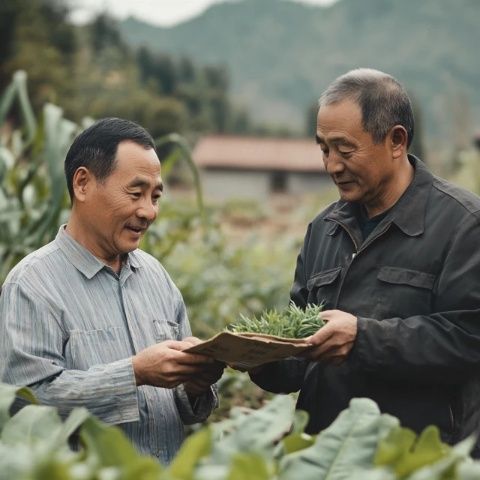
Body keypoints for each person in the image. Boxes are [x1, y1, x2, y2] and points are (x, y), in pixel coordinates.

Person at [250, 68, 480, 455]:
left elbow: (468, 339)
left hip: (418, 460)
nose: (331, 165)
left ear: (396, 141)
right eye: (324, 148)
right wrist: (259, 355)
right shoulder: (324, 229)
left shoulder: (463, 225)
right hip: (327, 457)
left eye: (345, 148)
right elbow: (303, 349)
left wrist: (363, 338)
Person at [0, 118, 224, 464]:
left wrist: (195, 384)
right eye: (135, 193)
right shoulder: (32, 284)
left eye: (155, 196)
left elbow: (182, 410)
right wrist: (134, 373)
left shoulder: (156, 278)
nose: (148, 211)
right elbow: (25, 405)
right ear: (83, 183)